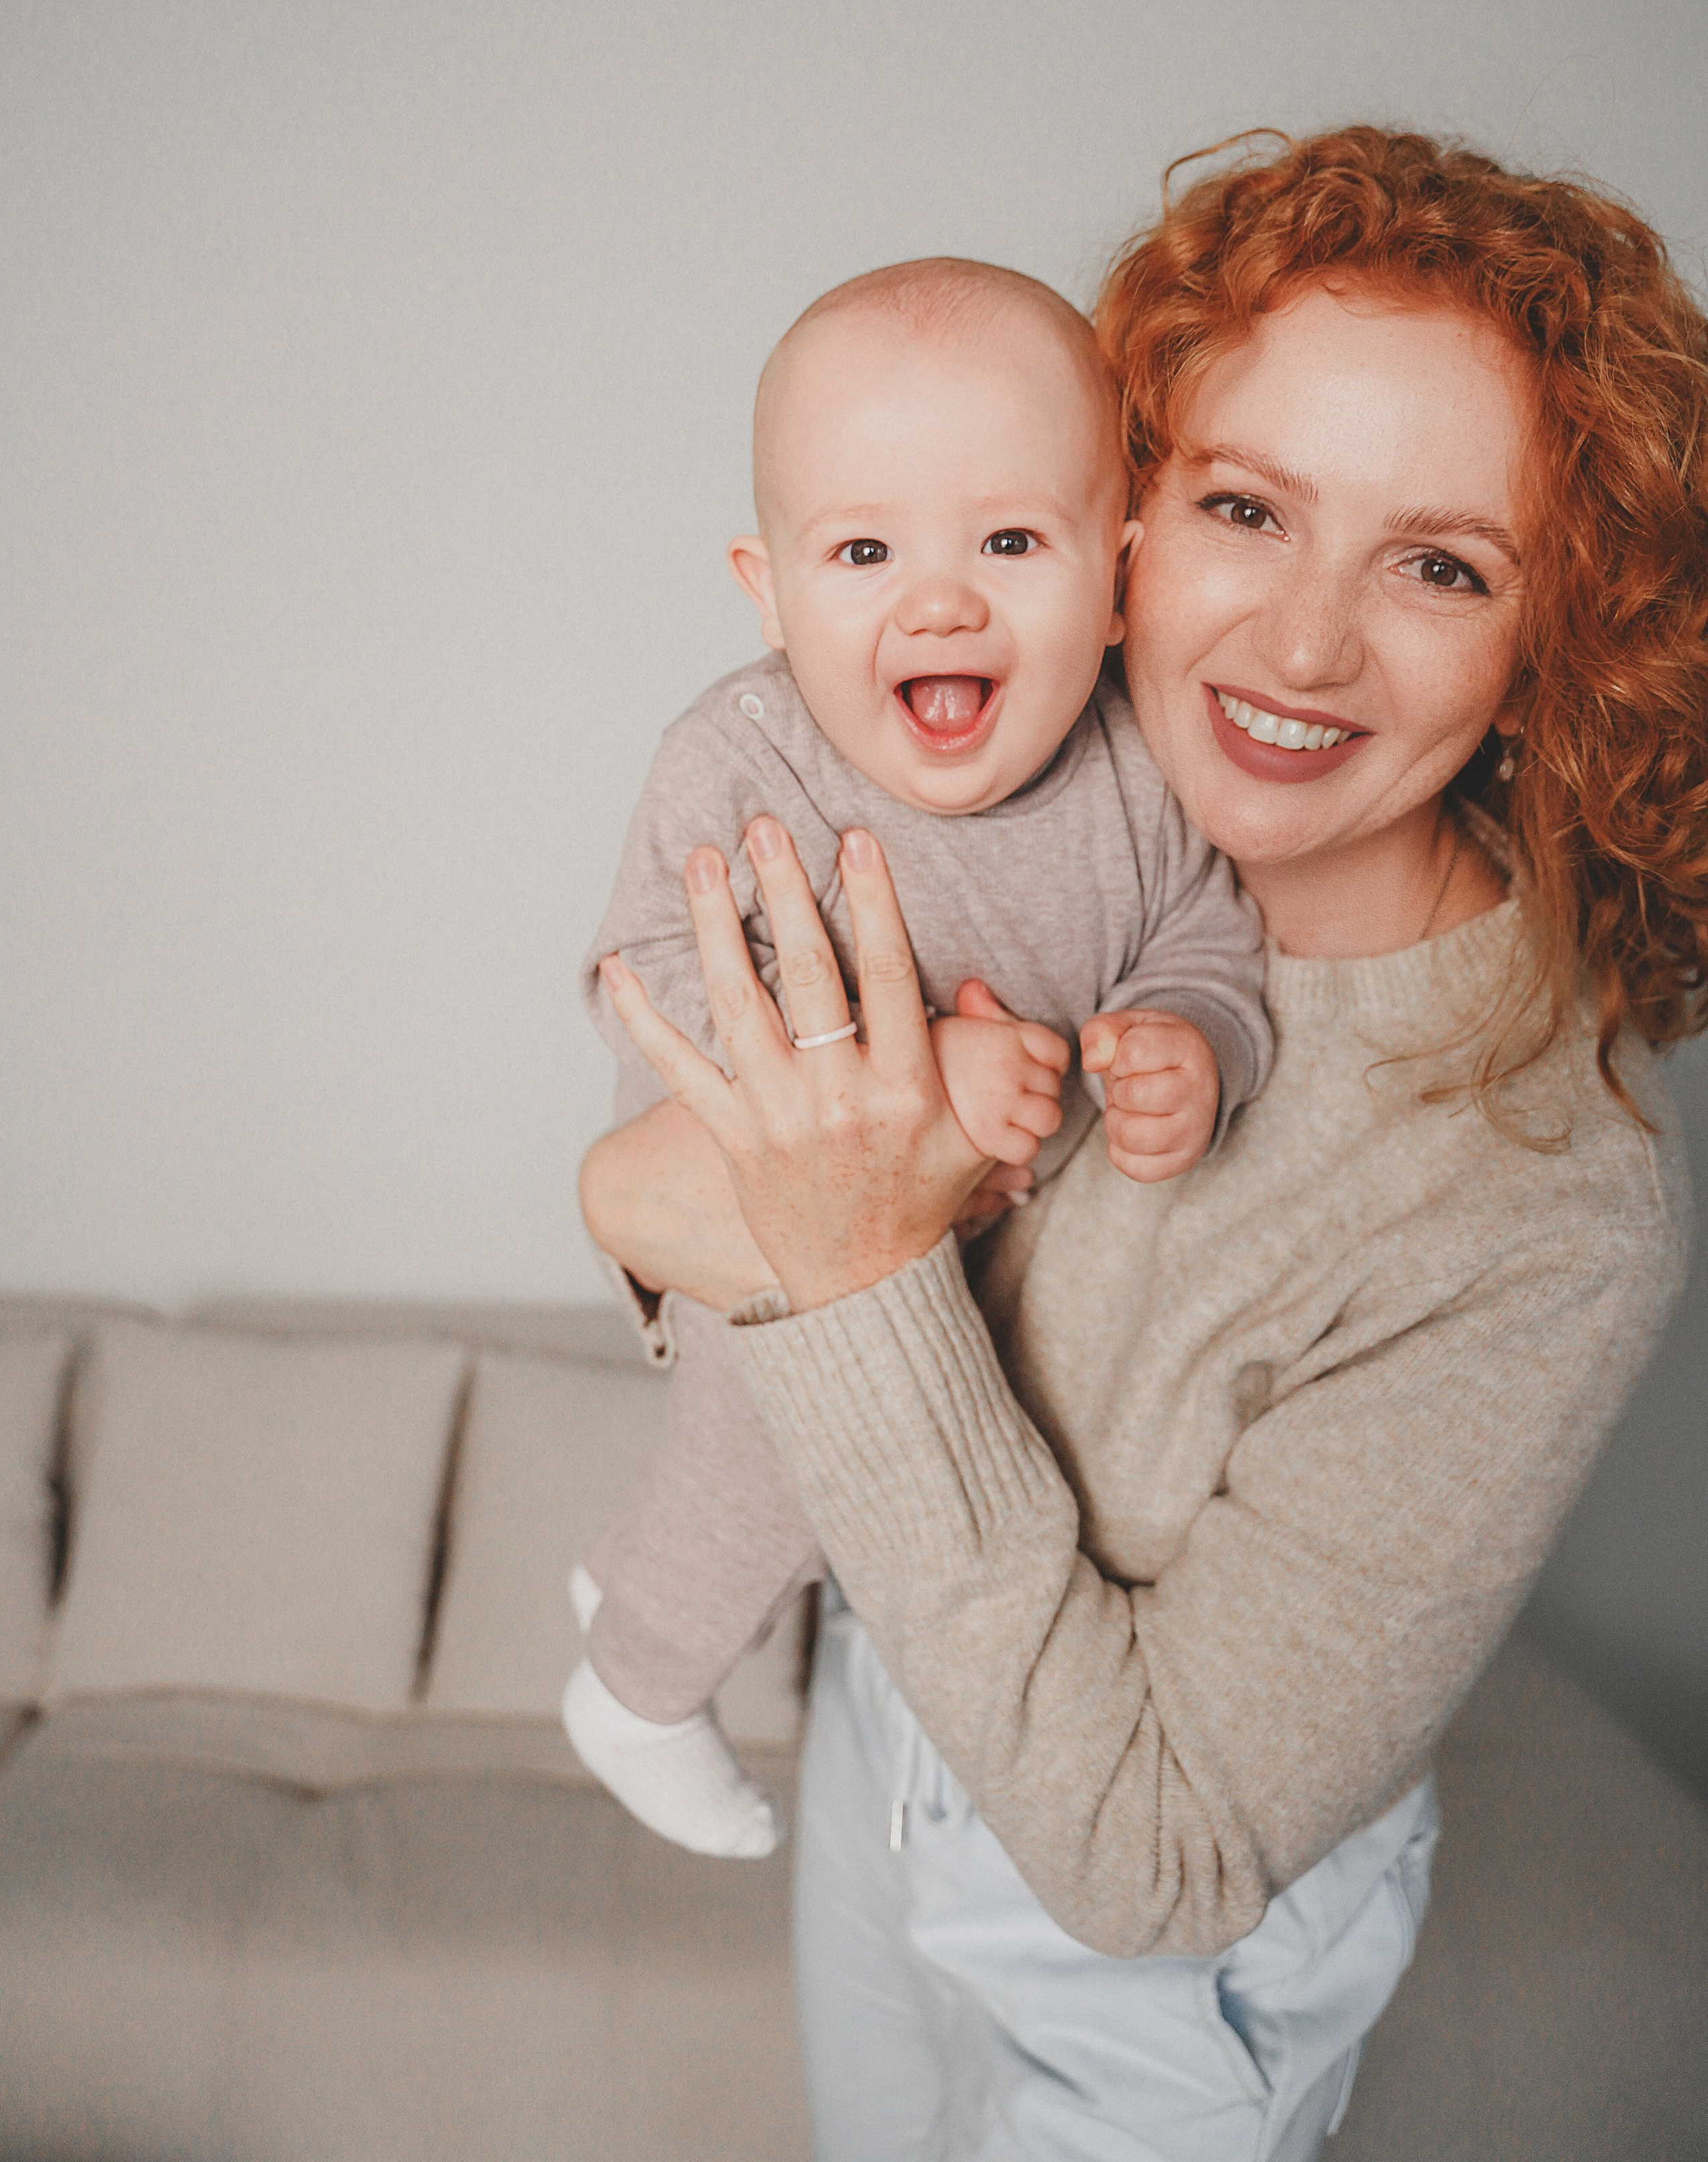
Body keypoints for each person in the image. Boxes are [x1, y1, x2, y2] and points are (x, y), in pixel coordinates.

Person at [582, 127, 1707, 2161]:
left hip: (1155, 1983)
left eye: (1441, 565)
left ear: (1557, 645)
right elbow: (645, 1187)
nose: (1301, 645)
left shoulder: (1546, 1204)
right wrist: (659, 1192)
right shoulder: (1032, 821)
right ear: (1129, 528)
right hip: (876, 1737)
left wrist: (811, 1232)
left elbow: (1156, 1857)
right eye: (1246, 509)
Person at [568, 258, 1272, 1859]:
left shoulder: (1145, 774)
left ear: (1119, 576)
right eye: (863, 551)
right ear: (767, 590)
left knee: (936, 1466)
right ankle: (637, 1684)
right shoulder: (740, 758)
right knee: (789, 1462)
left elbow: (1204, 934)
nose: (938, 603)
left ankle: (622, 1582)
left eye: (1008, 543)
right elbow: (646, 974)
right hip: (758, 1214)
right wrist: (912, 1072)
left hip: (977, 1243)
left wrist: (1195, 1040)